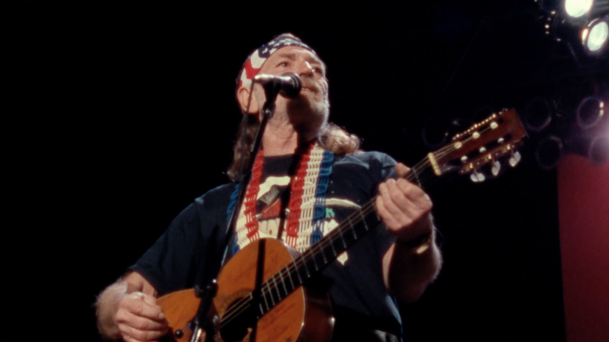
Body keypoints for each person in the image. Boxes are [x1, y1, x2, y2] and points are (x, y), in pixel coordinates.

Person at [95, 33, 442, 342]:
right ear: (249, 96)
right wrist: (121, 309)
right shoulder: (215, 206)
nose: (307, 70)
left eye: (316, 67)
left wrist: (418, 237)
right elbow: (125, 292)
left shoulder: (371, 169)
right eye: (286, 63)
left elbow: (408, 286)